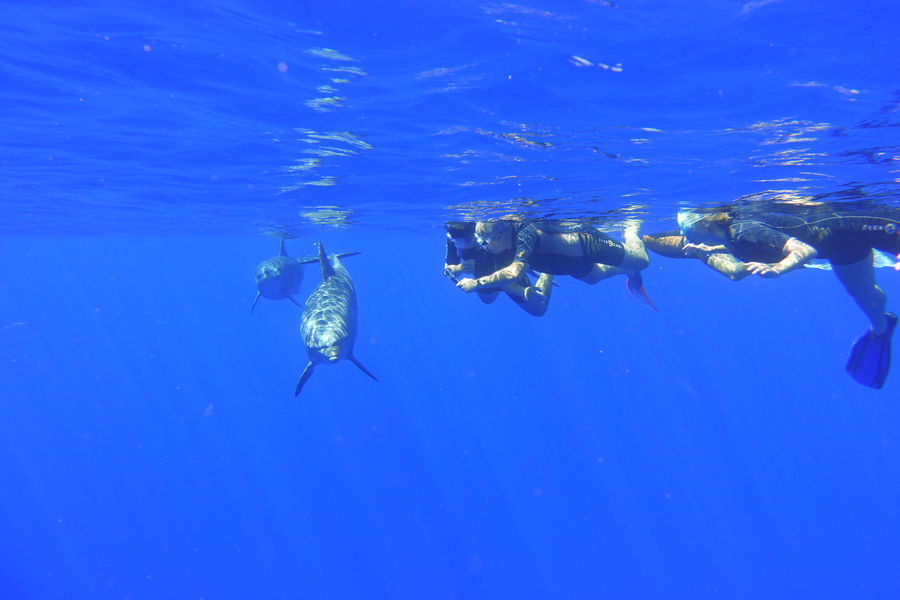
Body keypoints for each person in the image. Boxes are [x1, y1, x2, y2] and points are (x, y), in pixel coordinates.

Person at [646, 208, 900, 388]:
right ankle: (881, 328)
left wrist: (779, 269)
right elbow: (740, 246)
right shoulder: (730, 237)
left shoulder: (743, 230)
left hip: (853, 227)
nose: (680, 231)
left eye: (684, 226)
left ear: (704, 224)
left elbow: (804, 249)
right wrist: (708, 248)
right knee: (863, 295)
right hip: (842, 247)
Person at [456, 219, 657, 311]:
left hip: (588, 245)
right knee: (595, 278)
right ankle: (629, 271)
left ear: (498, 235)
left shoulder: (525, 234)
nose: (484, 247)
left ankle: (630, 230)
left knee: (643, 261)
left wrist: (476, 283)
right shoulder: (502, 244)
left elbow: (514, 272)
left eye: (485, 242)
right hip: (567, 264)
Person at [444, 222, 554, 317]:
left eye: (467, 241)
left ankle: (547, 271)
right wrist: (460, 268)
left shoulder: (491, 243)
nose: (462, 246)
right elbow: (448, 271)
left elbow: (506, 282)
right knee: (487, 300)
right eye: (457, 242)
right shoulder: (455, 236)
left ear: (476, 234)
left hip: (507, 275)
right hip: (482, 277)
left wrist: (523, 292)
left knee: (539, 310)